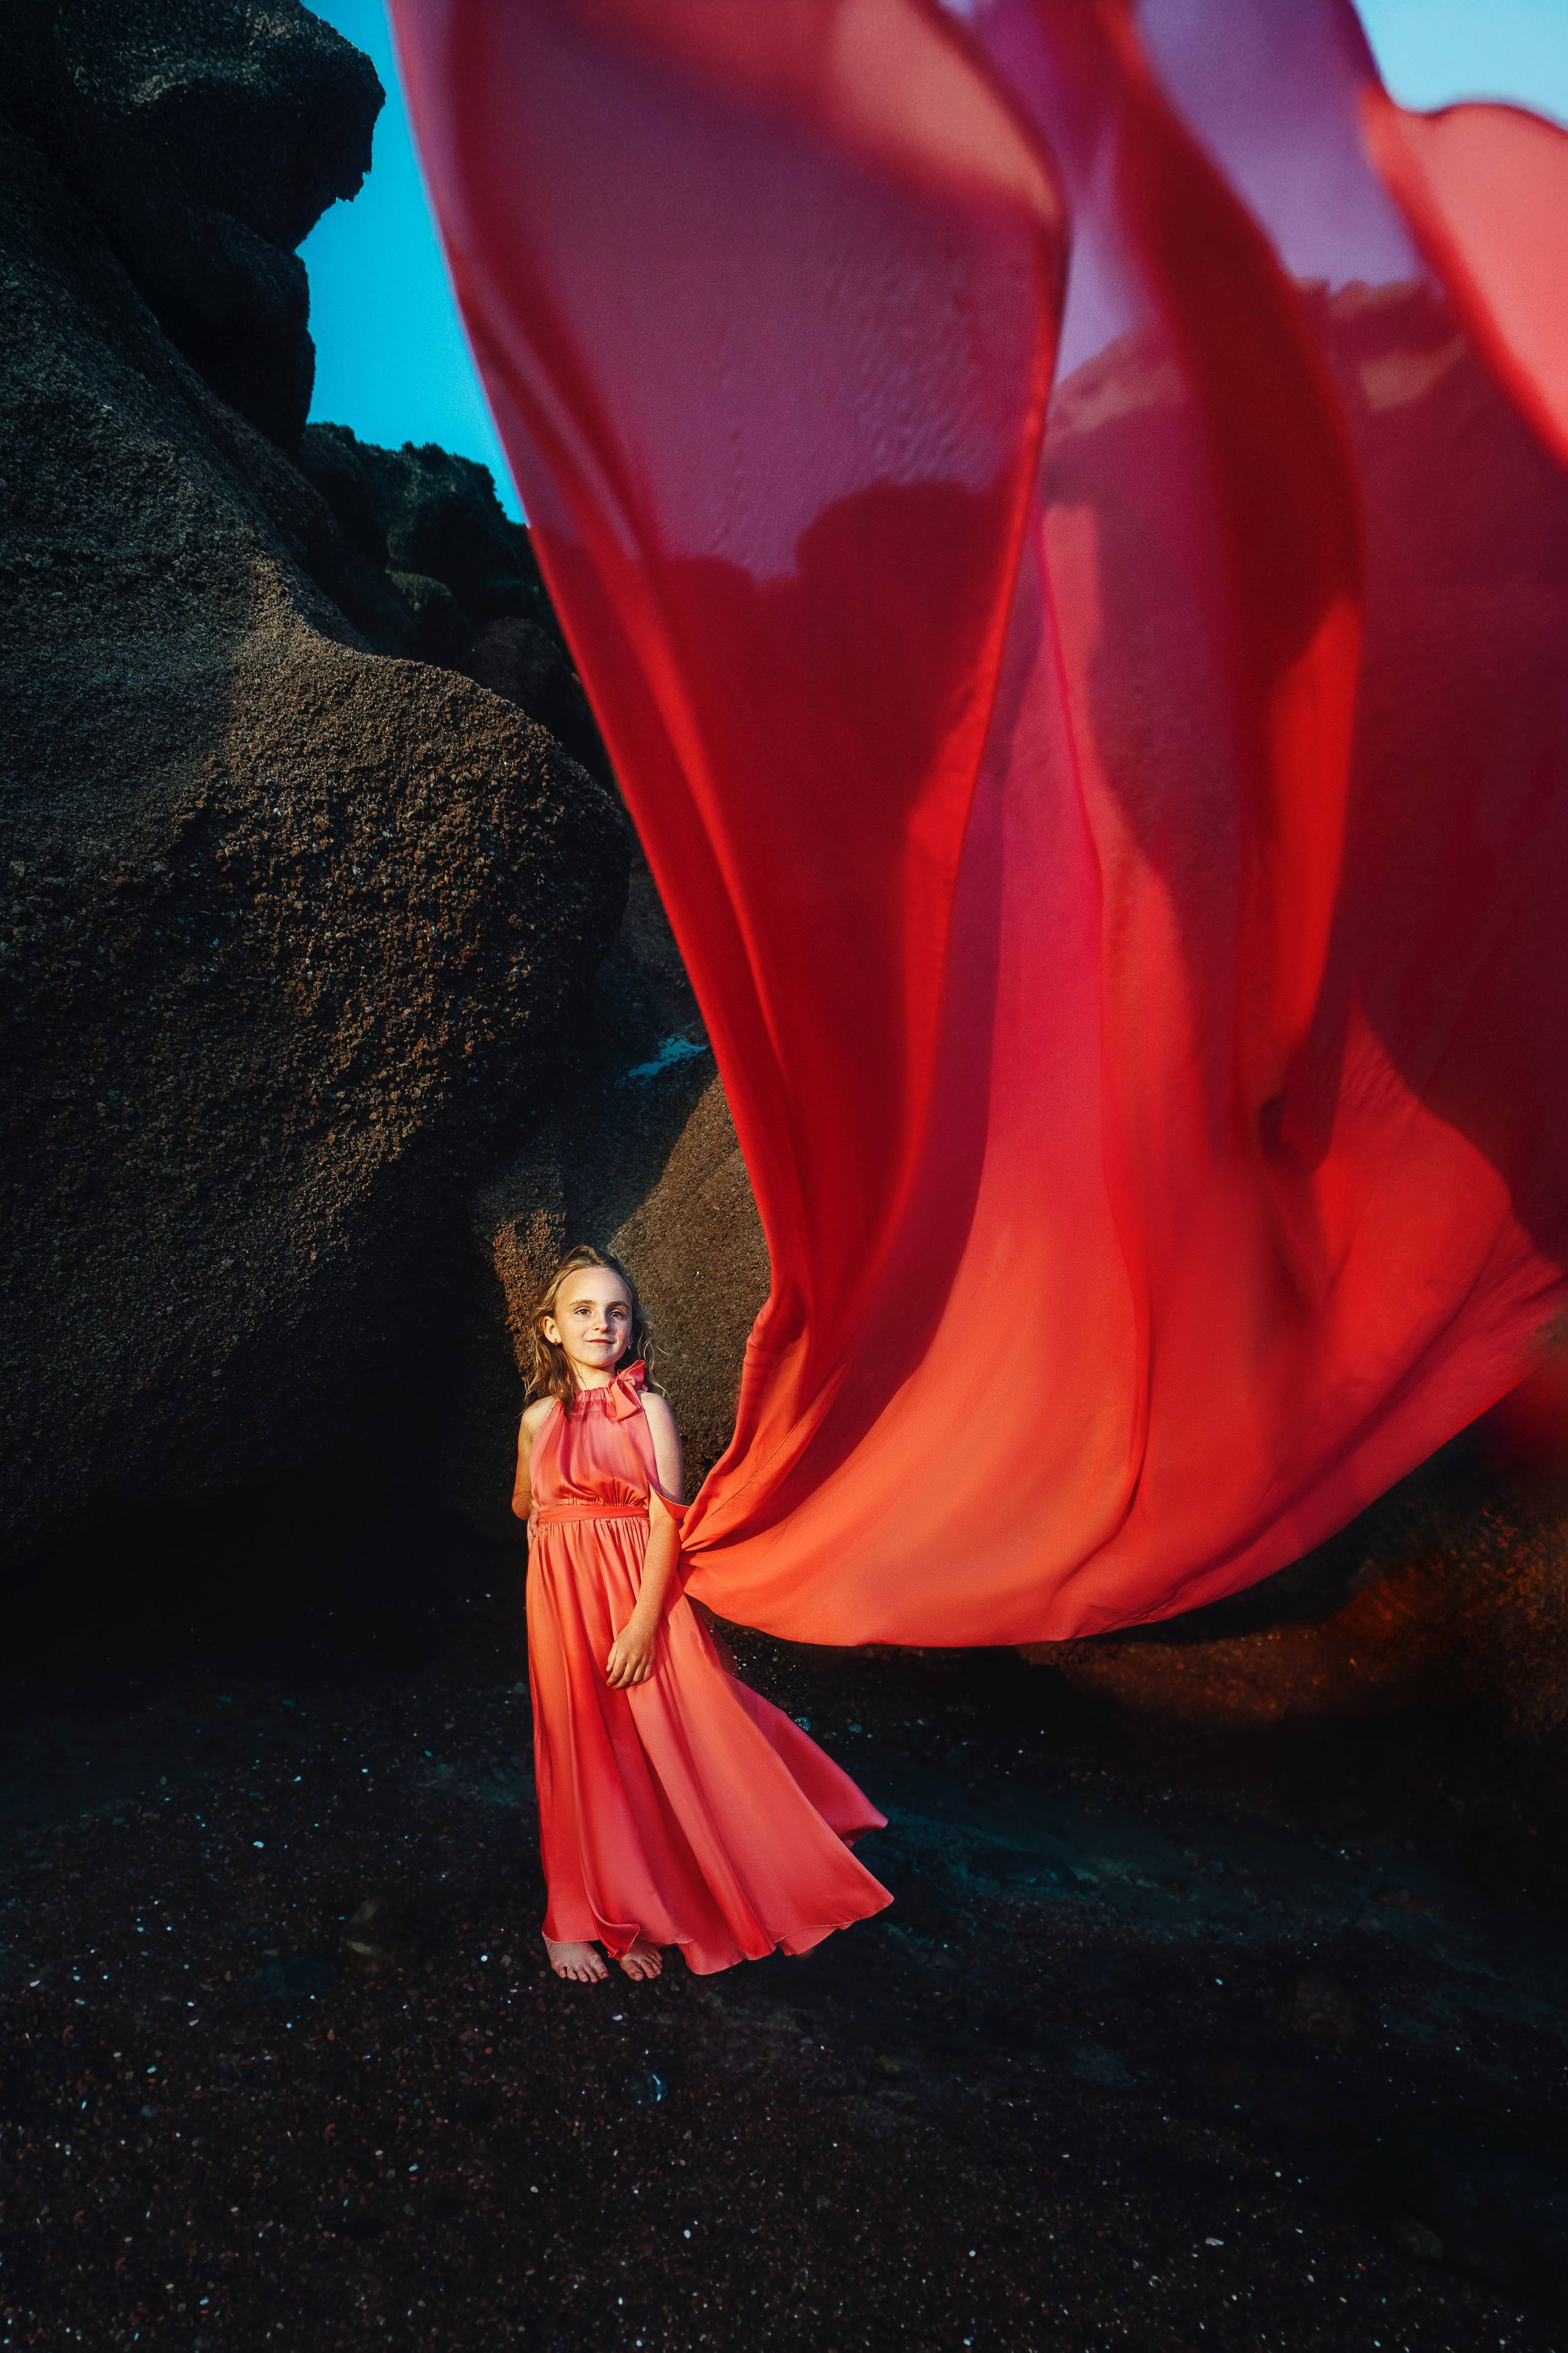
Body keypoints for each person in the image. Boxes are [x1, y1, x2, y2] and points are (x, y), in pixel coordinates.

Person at [513, 1245, 891, 1982]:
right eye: (583, 1310)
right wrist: (552, 1514)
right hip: (559, 1597)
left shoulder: (649, 1408)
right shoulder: (534, 1420)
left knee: (683, 1729)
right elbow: (524, 1503)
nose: (601, 1323)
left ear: (632, 1326)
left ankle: (671, 1897)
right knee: (579, 1752)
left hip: (638, 1594)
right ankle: (577, 1921)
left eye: (617, 1312)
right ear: (552, 1328)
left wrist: (642, 1623)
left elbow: (667, 1519)